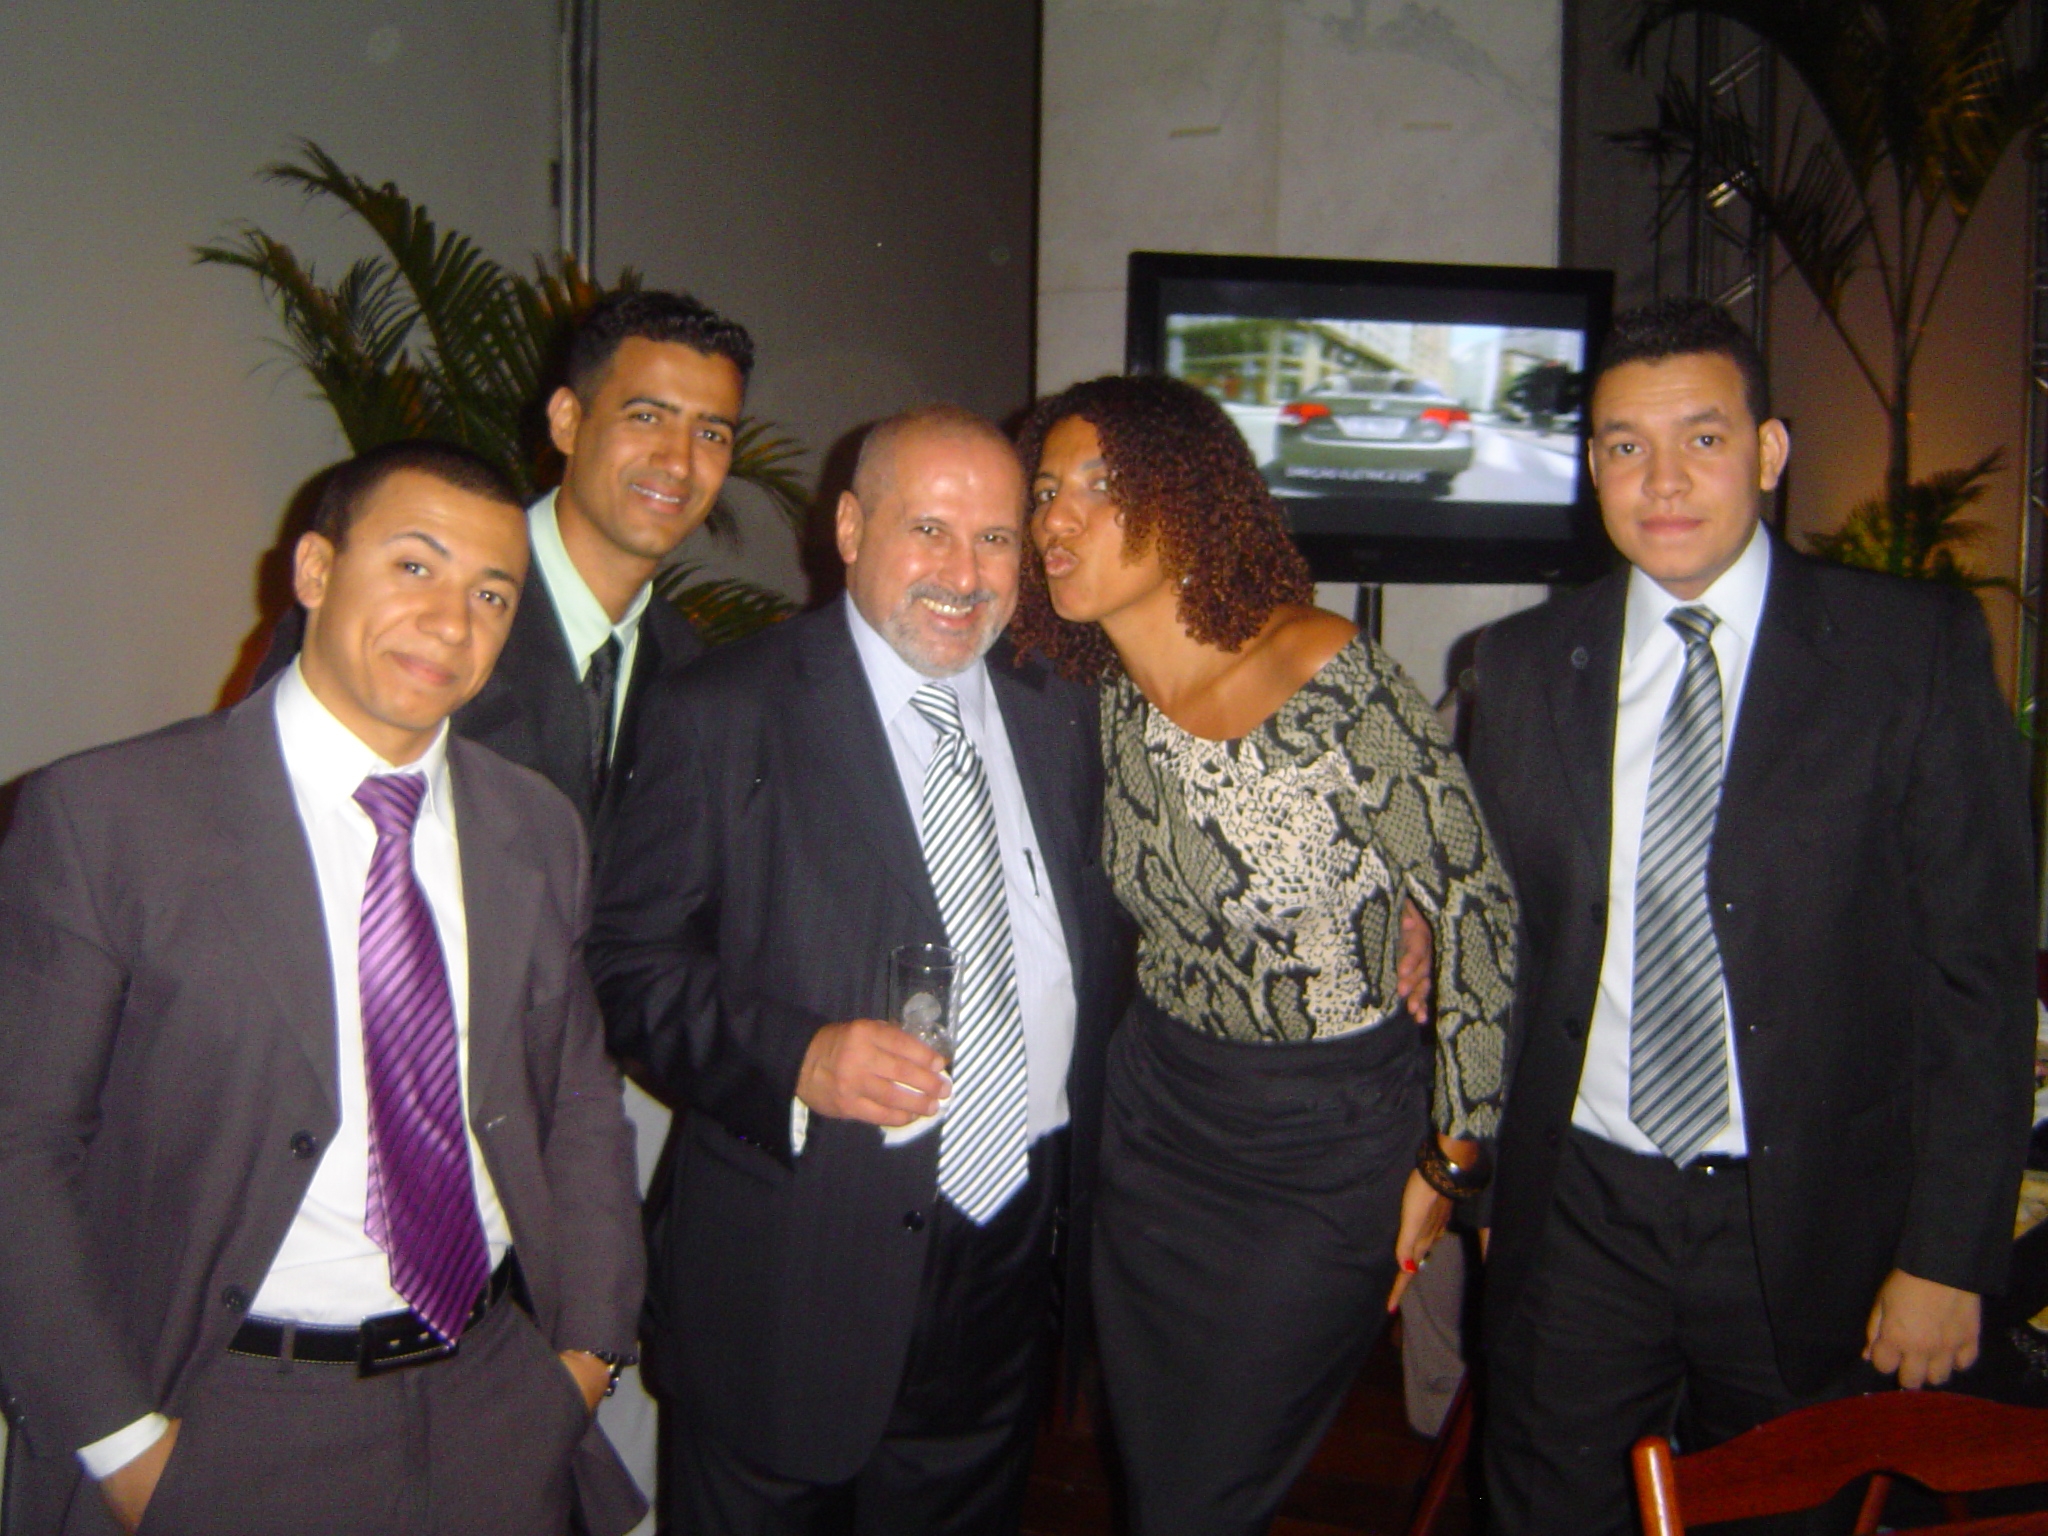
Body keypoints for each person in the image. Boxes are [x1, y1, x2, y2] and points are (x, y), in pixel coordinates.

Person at [0, 440, 647, 1536]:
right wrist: (122, 1446)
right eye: (414, 566)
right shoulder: (109, 818)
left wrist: (584, 1358)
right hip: (229, 1419)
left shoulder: (534, 827)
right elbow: (19, 1146)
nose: (452, 621)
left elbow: (580, 1100)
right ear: (313, 570)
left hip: (496, 1401)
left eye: (492, 594)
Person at [1465, 297, 2038, 1534]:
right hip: (1581, 1213)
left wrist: (1947, 1254)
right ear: (1591, 467)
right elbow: (1495, 952)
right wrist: (1484, 1181)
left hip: (1816, 1224)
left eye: (1702, 438)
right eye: (1624, 446)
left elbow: (1979, 975)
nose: (1662, 480)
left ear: (1768, 451)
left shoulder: (1907, 651)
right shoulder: (1514, 669)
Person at [585, 405, 1124, 1535]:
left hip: (1007, 1252)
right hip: (795, 1266)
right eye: (928, 529)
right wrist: (797, 1057)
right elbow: (626, 967)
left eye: (994, 540)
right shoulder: (723, 710)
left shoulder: (1058, 712)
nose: (963, 575)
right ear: (847, 528)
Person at [1011, 373, 1517, 1536]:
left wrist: (1451, 1158)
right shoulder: (1091, 692)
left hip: (1323, 1142)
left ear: (1186, 499)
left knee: (1206, 1486)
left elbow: (1476, 905)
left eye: (1099, 484)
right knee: (1156, 1462)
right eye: (1044, 489)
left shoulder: (1323, 672)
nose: (1055, 517)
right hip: (1155, 1121)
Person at [258, 287, 752, 834]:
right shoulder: (406, 610)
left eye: (711, 434)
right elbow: (263, 808)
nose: (679, 462)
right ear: (567, 421)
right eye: (646, 416)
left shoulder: (692, 671)